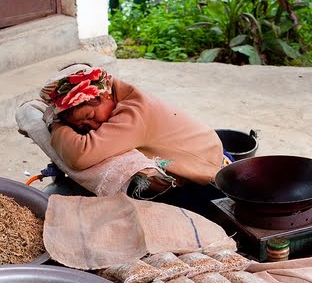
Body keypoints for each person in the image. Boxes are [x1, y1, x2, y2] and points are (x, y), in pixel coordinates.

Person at [41, 63, 227, 213]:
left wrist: (55, 123)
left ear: (103, 94)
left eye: (89, 116)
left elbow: (79, 156)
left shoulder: (135, 113)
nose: (93, 127)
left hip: (211, 179)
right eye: (81, 126)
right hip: (203, 155)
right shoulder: (114, 92)